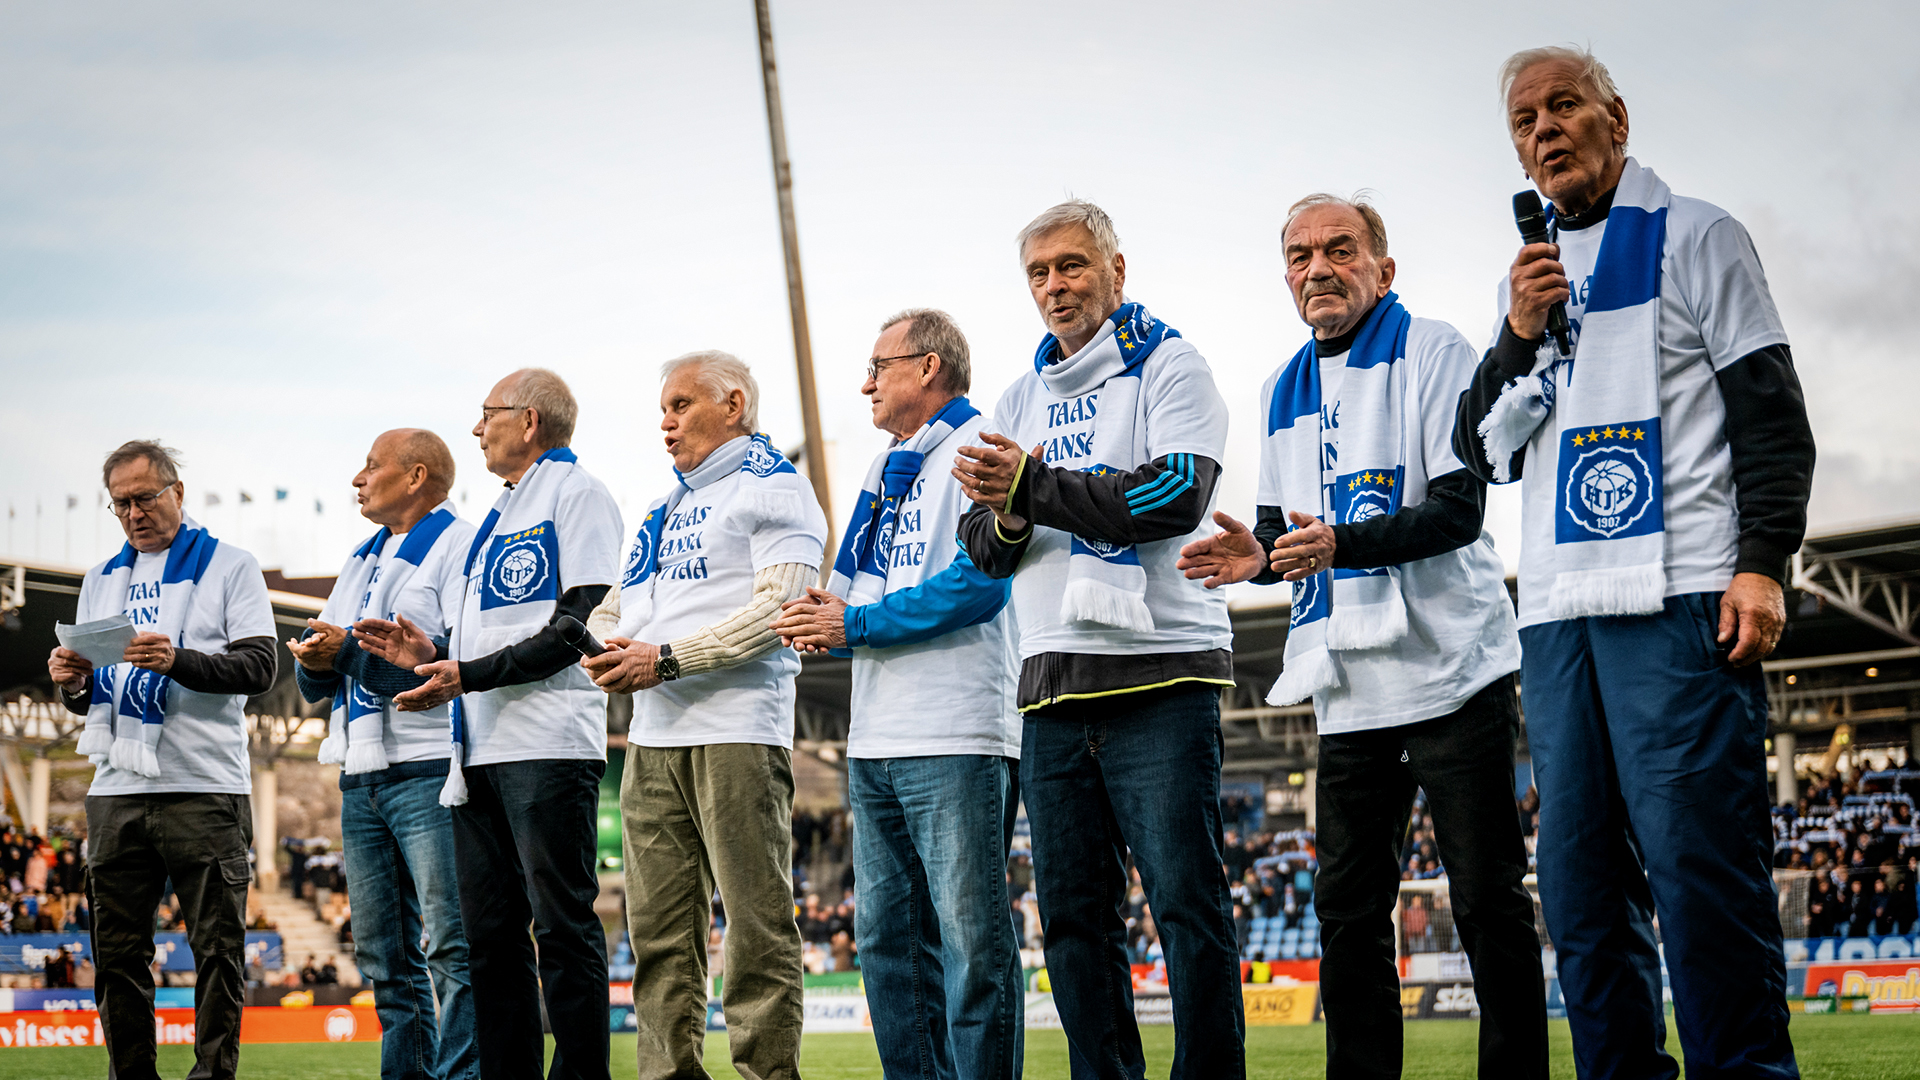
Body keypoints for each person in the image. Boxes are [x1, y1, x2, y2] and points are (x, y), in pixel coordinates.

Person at [1454, 46, 1815, 1079]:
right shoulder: (1524, 284)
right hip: (1556, 611)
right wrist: (1516, 335)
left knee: (1701, 872)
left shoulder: (1698, 233)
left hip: (1681, 591)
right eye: (1524, 122)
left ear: (1616, 118)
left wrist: (1763, 561)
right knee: (1578, 890)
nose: (1544, 131)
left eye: (1563, 106)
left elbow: (1769, 415)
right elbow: (1479, 451)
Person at [1177, 193, 1545, 1079]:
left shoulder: (1435, 349)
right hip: (1348, 687)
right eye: (1299, 255)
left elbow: (1457, 512)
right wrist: (1256, 559)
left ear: (1384, 267)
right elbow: (1286, 538)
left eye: (1340, 249)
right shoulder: (1280, 388)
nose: (1318, 269)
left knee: (1488, 903)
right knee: (1345, 914)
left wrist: (1336, 544)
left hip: (1454, 673)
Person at [953, 199, 1245, 1079]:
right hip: (1051, 687)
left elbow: (1175, 496)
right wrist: (1013, 510)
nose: (1055, 285)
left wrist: (1032, 489)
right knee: (1075, 924)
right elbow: (982, 546)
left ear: (1117, 271)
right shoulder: (1017, 397)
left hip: (1163, 675)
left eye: (1072, 265)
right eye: (1038, 273)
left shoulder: (1173, 365)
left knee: (1186, 908)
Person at [771, 309, 1024, 1078]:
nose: (866, 385)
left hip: (956, 730)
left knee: (972, 944)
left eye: (878, 368)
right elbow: (851, 592)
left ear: (928, 367)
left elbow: (980, 587)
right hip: (875, 737)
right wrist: (819, 618)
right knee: (886, 944)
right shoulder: (886, 466)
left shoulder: (982, 447)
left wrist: (854, 622)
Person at [359, 369, 622, 1080]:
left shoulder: (578, 493)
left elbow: (580, 625)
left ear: (529, 420)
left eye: (488, 414)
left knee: (562, 930)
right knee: (490, 942)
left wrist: (467, 674)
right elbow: (488, 640)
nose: (477, 429)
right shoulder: (500, 512)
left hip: (548, 744)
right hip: (474, 756)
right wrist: (432, 657)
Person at [581, 351, 826, 1080]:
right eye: (663, 408)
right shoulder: (662, 508)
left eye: (682, 405)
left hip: (737, 729)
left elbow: (780, 609)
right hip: (652, 737)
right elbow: (616, 607)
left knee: (755, 927)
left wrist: (664, 661)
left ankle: (768, 1074)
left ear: (734, 404)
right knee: (656, 935)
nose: (666, 421)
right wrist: (597, 645)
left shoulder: (777, 487)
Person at [47, 440, 276, 1080]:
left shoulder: (231, 565)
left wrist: (179, 660)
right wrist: (72, 681)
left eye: (145, 498)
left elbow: (260, 667)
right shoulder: (100, 578)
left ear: (177, 491)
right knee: (116, 955)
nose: (134, 513)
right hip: (114, 789)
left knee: (217, 951)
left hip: (204, 785)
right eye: (120, 503)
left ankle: (212, 1075)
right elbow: (93, 697)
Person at [290, 428, 479, 1080]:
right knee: (383, 959)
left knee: (452, 946)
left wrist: (343, 652)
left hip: (429, 771)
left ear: (417, 475)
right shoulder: (359, 560)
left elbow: (451, 669)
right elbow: (317, 683)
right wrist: (315, 660)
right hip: (361, 775)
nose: (358, 479)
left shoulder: (461, 545)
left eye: (372, 466)